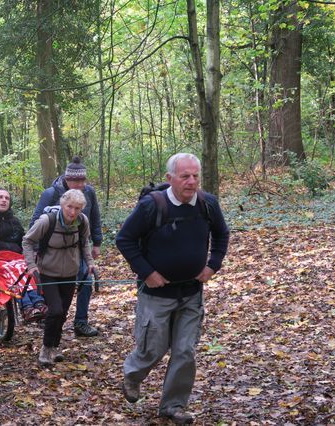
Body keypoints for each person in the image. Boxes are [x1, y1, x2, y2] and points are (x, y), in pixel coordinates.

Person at [115, 153, 230, 424]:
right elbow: (125, 239)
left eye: (195, 176)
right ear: (170, 179)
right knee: (152, 348)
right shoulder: (151, 206)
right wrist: (148, 273)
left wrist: (213, 264)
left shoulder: (208, 204)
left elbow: (222, 234)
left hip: (191, 293)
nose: (191, 182)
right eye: (184, 176)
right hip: (155, 294)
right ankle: (132, 376)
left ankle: (173, 406)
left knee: (185, 351)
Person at [29, 156, 102, 337]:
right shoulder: (51, 194)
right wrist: (38, 252)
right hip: (53, 252)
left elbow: (94, 217)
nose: (79, 184)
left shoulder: (89, 193)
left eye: (82, 180)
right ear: (67, 179)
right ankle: (51, 318)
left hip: (78, 247)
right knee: (56, 288)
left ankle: (81, 322)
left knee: (86, 282)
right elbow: (35, 223)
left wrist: (97, 243)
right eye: (75, 180)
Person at [23, 189, 95, 366]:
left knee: (62, 313)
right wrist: (31, 265)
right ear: (63, 205)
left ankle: (55, 346)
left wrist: (90, 262)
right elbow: (27, 241)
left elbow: (85, 242)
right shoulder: (48, 221)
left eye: (77, 208)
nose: (73, 212)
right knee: (55, 310)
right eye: (70, 207)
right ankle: (46, 348)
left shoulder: (82, 222)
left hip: (71, 273)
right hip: (47, 272)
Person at [0, 189, 46, 322]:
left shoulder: (14, 221)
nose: (4, 200)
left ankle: (39, 303)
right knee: (14, 271)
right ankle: (27, 307)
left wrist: (33, 250)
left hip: (16, 256)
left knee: (27, 269)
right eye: (0, 197)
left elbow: (24, 239)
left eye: (7, 198)